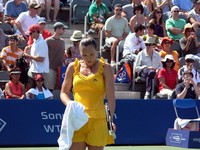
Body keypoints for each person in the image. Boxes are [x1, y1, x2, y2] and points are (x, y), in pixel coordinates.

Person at [60, 37, 116, 150]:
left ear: (97, 51)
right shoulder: (72, 67)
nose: (88, 58)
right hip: (76, 120)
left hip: (98, 120)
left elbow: (111, 97)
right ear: (80, 53)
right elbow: (63, 93)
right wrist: (71, 105)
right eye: (84, 55)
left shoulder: (106, 68)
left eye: (91, 54)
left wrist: (110, 120)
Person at [23, 24, 49, 88]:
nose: (30, 35)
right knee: (31, 90)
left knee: (41, 91)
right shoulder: (36, 41)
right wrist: (30, 47)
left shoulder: (42, 43)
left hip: (40, 72)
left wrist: (27, 56)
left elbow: (41, 59)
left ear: (35, 32)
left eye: (31, 33)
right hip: (34, 70)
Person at [46, 22, 68, 91]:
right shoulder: (48, 41)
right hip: (51, 68)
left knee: (59, 88)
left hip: (60, 69)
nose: (64, 30)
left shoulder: (62, 42)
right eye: (62, 29)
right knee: (50, 89)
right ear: (57, 29)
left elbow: (63, 54)